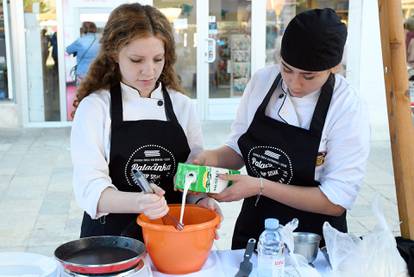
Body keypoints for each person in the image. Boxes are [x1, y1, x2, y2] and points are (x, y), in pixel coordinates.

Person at [194, 8, 370, 249]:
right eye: (287, 69)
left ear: (334, 68)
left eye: (309, 76)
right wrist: (211, 157)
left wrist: (259, 186)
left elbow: (336, 200)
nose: (294, 83)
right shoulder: (262, 81)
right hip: (256, 225)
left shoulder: (346, 105)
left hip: (312, 239)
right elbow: (239, 147)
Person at [71, 3, 220, 239]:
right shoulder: (95, 108)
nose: (149, 71)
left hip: (172, 237)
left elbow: (190, 178)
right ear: (114, 54)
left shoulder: (182, 106)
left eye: (158, 59)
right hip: (111, 241)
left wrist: (200, 200)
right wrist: (140, 202)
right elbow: (90, 189)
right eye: (137, 60)